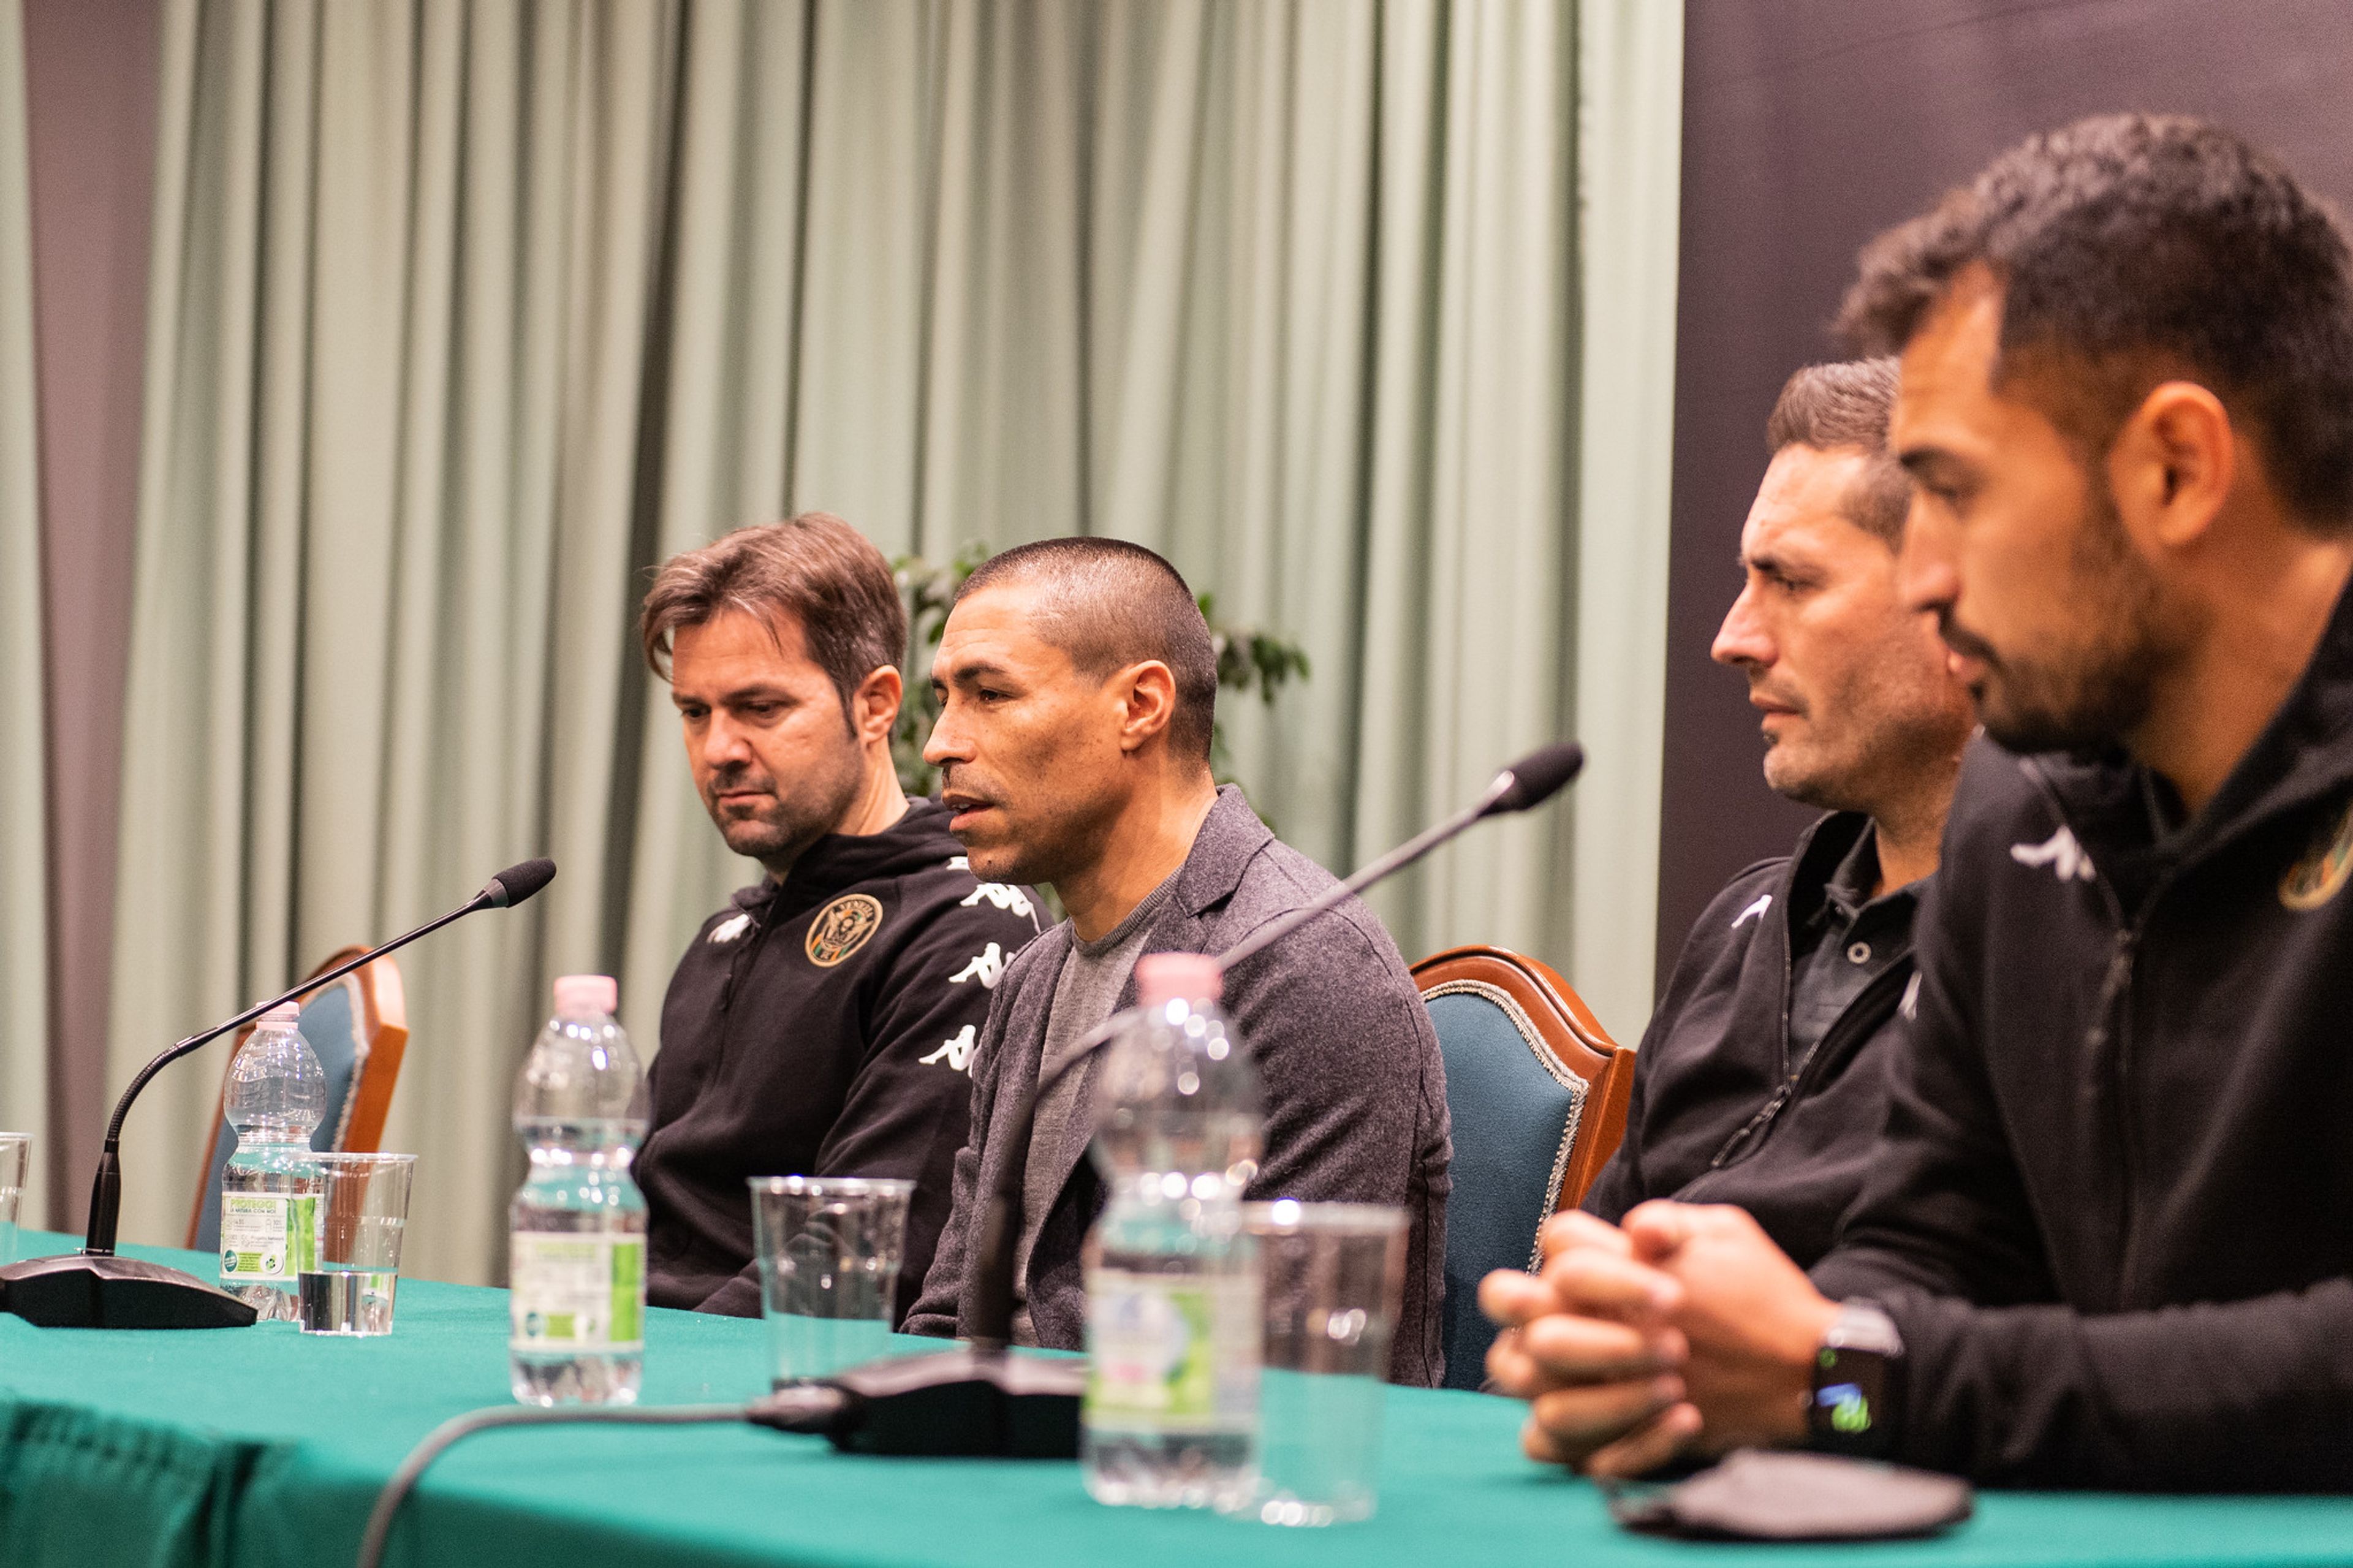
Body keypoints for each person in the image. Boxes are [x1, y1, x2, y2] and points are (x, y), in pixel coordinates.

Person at [1484, 113, 2353, 1491]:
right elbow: (1934, 1251)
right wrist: (1697, 1363)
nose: (1930, 580)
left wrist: (1847, 1379)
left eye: (1954, 491)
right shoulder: (2021, 799)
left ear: (2178, 470)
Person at [900, 537, 1453, 1385]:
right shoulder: (1033, 979)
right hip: (1007, 1436)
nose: (940, 744)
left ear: (1140, 706)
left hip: (1183, 1445)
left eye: (990, 695)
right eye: (944, 700)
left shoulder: (1306, 967)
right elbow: (950, 1314)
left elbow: (1270, 1370)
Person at [1581, 359, 1974, 1267]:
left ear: (1958, 602)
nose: (1734, 639)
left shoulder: (2059, 950)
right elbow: (1587, 1262)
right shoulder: (1741, 928)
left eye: (1791, 583)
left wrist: (1800, 1354)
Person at [634, 515, 1044, 1322]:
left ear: (876, 704)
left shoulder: (967, 925)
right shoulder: (725, 936)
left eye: (759, 707)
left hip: (764, 1376)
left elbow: (859, 1260)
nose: (718, 749)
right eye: (695, 712)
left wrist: (645, 1368)